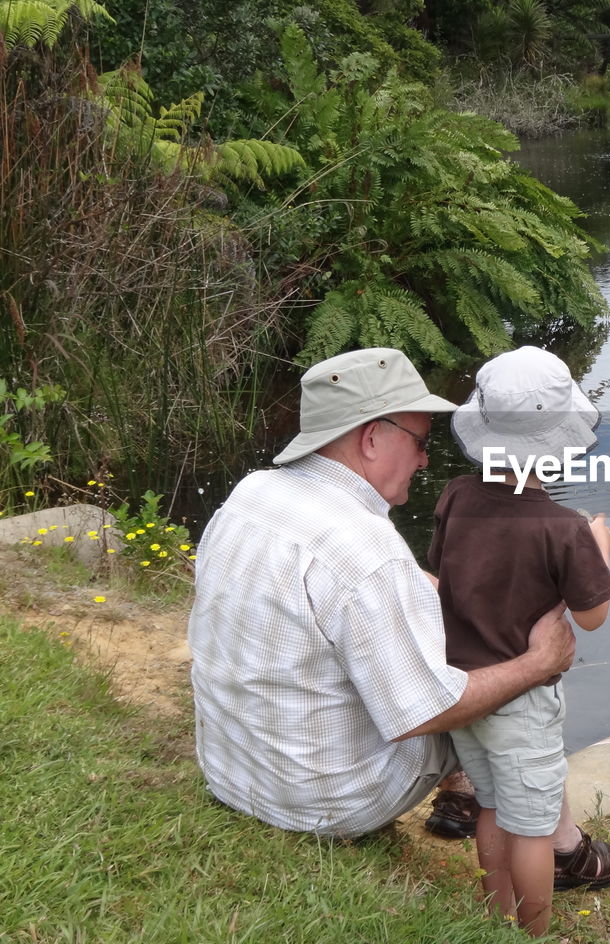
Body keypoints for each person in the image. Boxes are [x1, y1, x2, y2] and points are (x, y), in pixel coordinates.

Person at [187, 347, 575, 839]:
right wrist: (539, 662)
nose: (425, 458)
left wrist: (455, 596)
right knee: (518, 677)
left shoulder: (253, 493)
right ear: (371, 438)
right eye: (419, 441)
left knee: (474, 639)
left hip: (237, 775)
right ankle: (559, 845)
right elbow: (429, 709)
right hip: (329, 803)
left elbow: (352, 590)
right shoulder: (369, 549)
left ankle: (470, 796)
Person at [428, 345, 610, 934]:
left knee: (490, 808)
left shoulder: (457, 495)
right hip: (523, 702)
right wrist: (599, 548)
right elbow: (592, 619)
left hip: (467, 689)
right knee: (534, 827)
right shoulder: (563, 529)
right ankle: (535, 931)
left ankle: (498, 915)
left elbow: (442, 578)